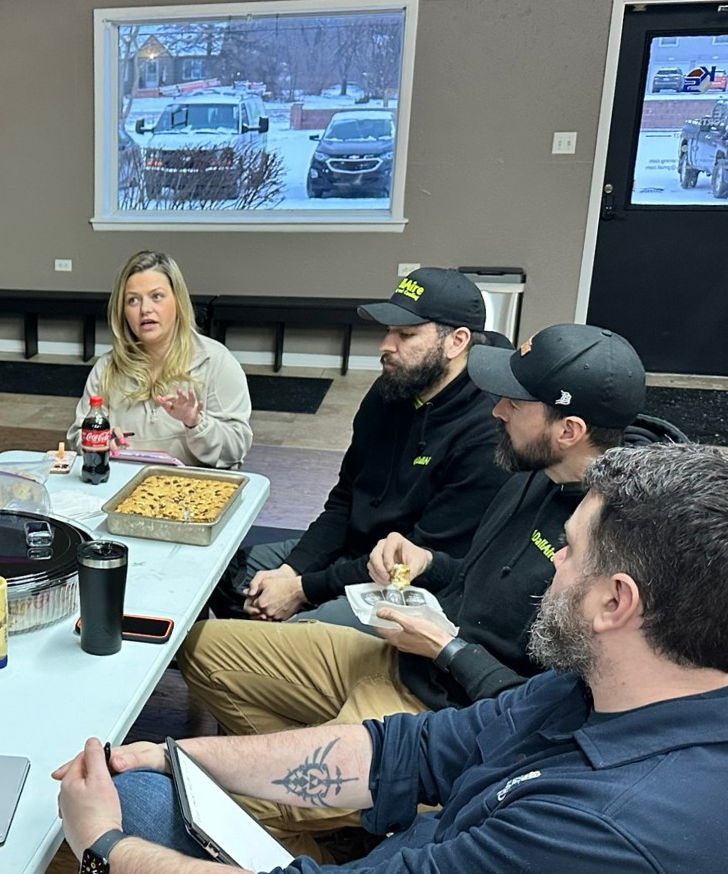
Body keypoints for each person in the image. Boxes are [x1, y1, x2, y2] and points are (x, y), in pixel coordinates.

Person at [58, 443, 728, 874]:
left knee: (133, 825)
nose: (554, 562)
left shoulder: (608, 834)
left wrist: (104, 852)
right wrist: (175, 754)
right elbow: (406, 751)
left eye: (571, 551)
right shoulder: (611, 689)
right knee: (151, 787)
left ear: (617, 602)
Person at [179, 323, 657, 856]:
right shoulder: (532, 469)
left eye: (515, 403)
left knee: (233, 798)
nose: (497, 411)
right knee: (201, 648)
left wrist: (449, 650)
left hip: (453, 717)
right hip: (405, 663)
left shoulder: (615, 544)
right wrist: (428, 563)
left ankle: (327, 856)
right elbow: (479, 576)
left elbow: (558, 715)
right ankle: (344, 815)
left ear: (568, 430)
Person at [211, 267, 507, 627]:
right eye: (388, 330)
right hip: (351, 553)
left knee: (296, 635)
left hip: (408, 584)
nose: (386, 345)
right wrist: (291, 571)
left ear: (457, 342)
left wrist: (302, 590)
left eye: (406, 334)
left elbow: (413, 560)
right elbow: (345, 499)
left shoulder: (487, 433)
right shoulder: (392, 390)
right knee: (223, 578)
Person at [67, 251, 252, 469]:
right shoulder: (107, 368)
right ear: (122, 311)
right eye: (133, 300)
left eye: (156, 296)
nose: (145, 309)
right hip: (124, 484)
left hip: (196, 485)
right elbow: (78, 436)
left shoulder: (216, 362)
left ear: (178, 301)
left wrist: (196, 423)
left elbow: (236, 448)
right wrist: (102, 442)